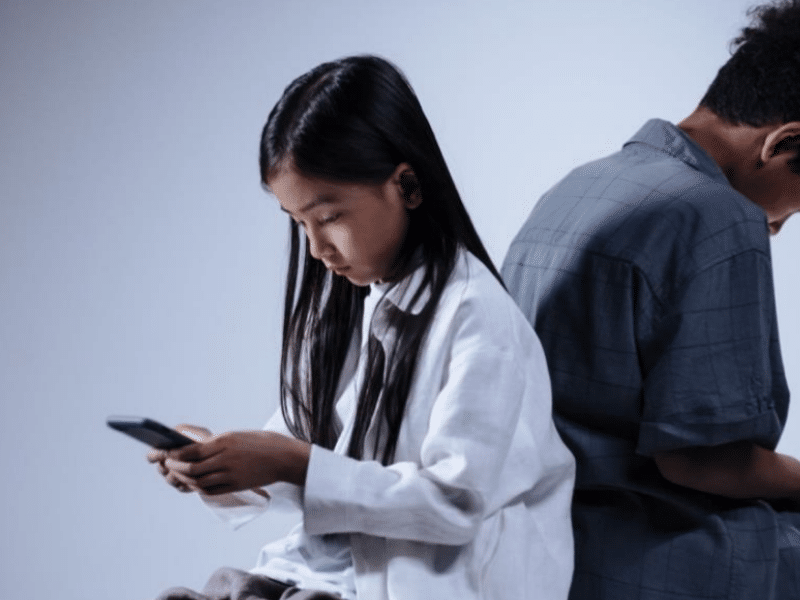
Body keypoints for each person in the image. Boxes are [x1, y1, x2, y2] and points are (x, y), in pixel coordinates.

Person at [149, 55, 575, 600]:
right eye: (298, 223)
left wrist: (290, 461)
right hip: (321, 574)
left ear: (408, 186)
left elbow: (454, 503)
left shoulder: (478, 318)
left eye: (329, 218)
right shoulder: (350, 309)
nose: (316, 248)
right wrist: (219, 462)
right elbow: (298, 458)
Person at [501, 2, 800, 598]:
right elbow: (705, 461)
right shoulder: (716, 216)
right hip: (634, 551)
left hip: (531, 538)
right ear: (785, 142)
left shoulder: (584, 183)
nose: (788, 221)